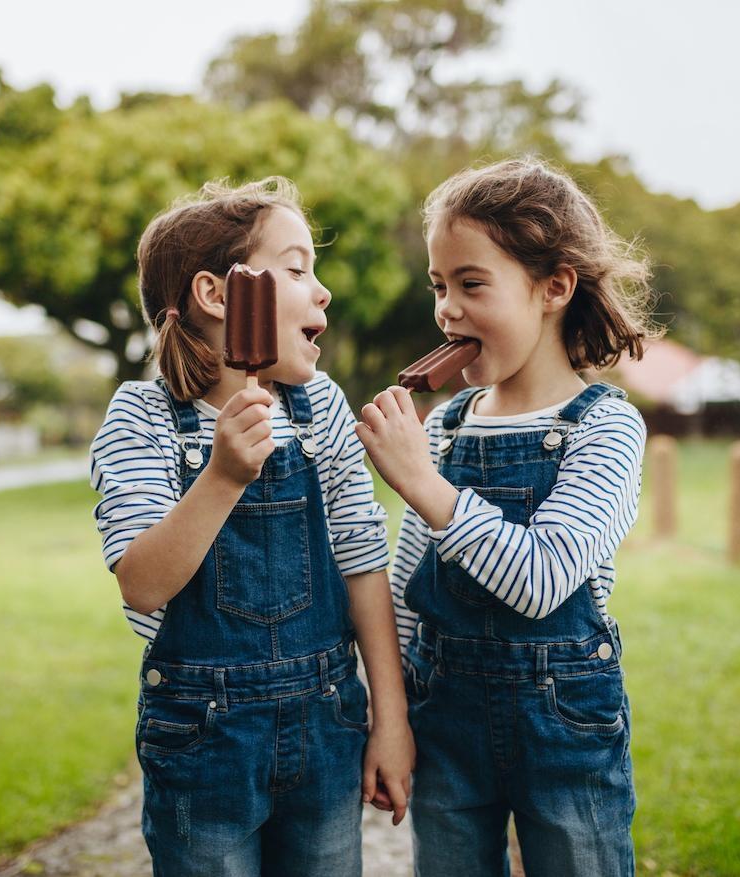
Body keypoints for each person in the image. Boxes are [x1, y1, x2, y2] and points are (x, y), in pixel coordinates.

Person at [89, 176, 414, 876]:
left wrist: (391, 720)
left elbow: (362, 563)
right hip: (204, 741)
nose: (322, 290)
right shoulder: (140, 419)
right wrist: (224, 474)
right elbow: (142, 585)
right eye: (297, 268)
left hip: (328, 723)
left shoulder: (317, 406)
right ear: (217, 295)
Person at [355, 157, 658, 877]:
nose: (446, 310)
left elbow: (542, 578)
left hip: (564, 722)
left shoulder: (605, 428)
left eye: (471, 283)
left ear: (554, 286)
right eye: (438, 286)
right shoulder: (447, 424)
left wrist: (425, 486)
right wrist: (389, 719)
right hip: (445, 715)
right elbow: (405, 591)